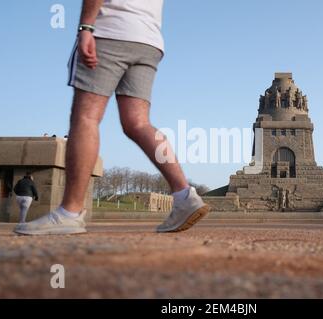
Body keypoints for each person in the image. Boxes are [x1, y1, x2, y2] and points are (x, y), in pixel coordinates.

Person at [14, 0, 209, 236]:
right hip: (149, 40)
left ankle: (70, 213)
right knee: (138, 123)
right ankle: (184, 194)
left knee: (86, 117)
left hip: (109, 32)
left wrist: (86, 27)